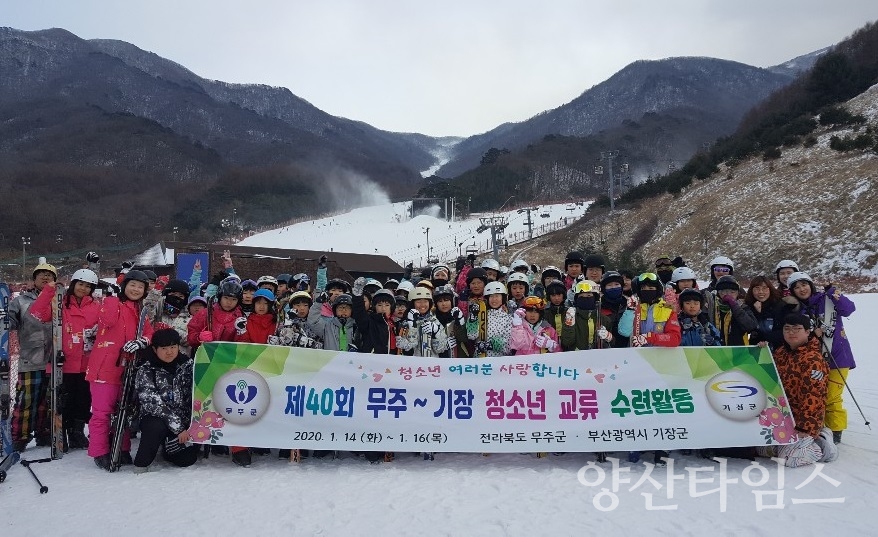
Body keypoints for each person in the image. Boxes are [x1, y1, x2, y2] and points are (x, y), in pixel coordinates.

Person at [86, 269, 155, 470]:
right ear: (125, 286)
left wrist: (142, 342)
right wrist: (112, 298)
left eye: (140, 287)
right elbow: (107, 321)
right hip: (105, 368)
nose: (136, 289)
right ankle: (99, 451)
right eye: (132, 285)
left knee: (123, 410)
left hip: (128, 368)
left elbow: (149, 333)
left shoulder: (141, 312)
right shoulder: (113, 304)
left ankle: (122, 447)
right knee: (102, 412)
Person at [29, 267, 102, 450]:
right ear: (74, 283)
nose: (83, 288)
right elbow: (38, 314)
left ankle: (77, 431)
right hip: (64, 362)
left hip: (86, 363)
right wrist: (48, 291)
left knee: (84, 399)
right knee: (63, 399)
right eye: (80, 284)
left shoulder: (96, 306)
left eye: (88, 286)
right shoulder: (60, 301)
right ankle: (61, 431)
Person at [756, 314, 837, 467]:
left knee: (790, 460)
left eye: (797, 329)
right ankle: (791, 445)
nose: (791, 332)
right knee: (760, 449)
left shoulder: (813, 359)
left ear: (807, 332)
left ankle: (823, 444)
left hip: (803, 422)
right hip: (781, 417)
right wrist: (761, 351)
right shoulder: (781, 353)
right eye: (787, 329)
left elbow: (813, 396)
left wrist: (804, 428)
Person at [786, 271, 857, 444]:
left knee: (832, 397)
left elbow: (849, 309)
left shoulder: (828, 299)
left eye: (804, 284)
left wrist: (834, 292)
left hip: (838, 358)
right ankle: (822, 428)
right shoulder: (799, 309)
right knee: (817, 396)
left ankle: (836, 432)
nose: (801, 289)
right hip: (815, 360)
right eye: (796, 287)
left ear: (810, 285)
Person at [132, 329, 199, 473]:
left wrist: (190, 426)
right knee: (154, 427)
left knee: (187, 459)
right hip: (157, 418)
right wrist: (179, 428)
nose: (169, 352)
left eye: (173, 347)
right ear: (155, 349)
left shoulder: (188, 365)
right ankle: (141, 464)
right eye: (164, 348)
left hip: (184, 420)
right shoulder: (146, 369)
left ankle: (168, 446)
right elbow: (153, 404)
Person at [560, 281, 613, 351]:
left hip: (599, 358)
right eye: (581, 296)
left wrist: (609, 337)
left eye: (589, 296)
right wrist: (568, 324)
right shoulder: (572, 317)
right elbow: (567, 342)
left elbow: (613, 345)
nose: (585, 299)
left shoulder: (604, 319)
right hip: (577, 357)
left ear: (595, 298)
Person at [396, 287, 449, 357]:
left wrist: (436, 333)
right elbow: (405, 347)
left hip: (431, 364)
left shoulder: (435, 321)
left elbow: (440, 349)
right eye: (418, 301)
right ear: (412, 303)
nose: (422, 304)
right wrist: (412, 326)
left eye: (425, 301)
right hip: (413, 364)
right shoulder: (405, 323)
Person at [705, 275, 757, 346]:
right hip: (715, 351)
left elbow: (750, 326)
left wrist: (734, 306)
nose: (728, 294)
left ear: (737, 293)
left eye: (732, 292)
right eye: (724, 291)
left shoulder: (743, 307)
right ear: (718, 293)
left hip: (738, 351)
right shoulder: (711, 308)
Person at [466, 282, 511, 357]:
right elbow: (471, 336)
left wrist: (490, 345)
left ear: (502, 298)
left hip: (499, 360)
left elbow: (509, 344)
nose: (494, 299)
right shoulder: (482, 315)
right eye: (491, 296)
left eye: (497, 296)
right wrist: (473, 318)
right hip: (480, 358)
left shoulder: (508, 318)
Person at [744, 275, 784, 349]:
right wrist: (757, 313)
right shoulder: (747, 307)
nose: (761, 292)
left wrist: (767, 339)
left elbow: (783, 330)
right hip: (756, 349)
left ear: (770, 289)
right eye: (757, 289)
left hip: (778, 348)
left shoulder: (779, 305)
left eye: (764, 289)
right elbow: (751, 332)